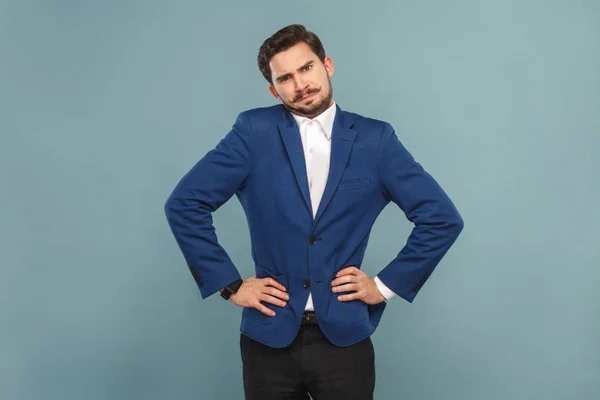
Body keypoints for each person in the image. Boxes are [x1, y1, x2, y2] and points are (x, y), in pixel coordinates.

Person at [164, 24, 464, 400]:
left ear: (328, 66)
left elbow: (442, 218)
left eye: (306, 68)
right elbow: (185, 203)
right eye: (285, 78)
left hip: (345, 339)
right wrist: (230, 286)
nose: (300, 84)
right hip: (267, 339)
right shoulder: (253, 131)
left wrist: (383, 287)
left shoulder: (376, 140)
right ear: (274, 90)